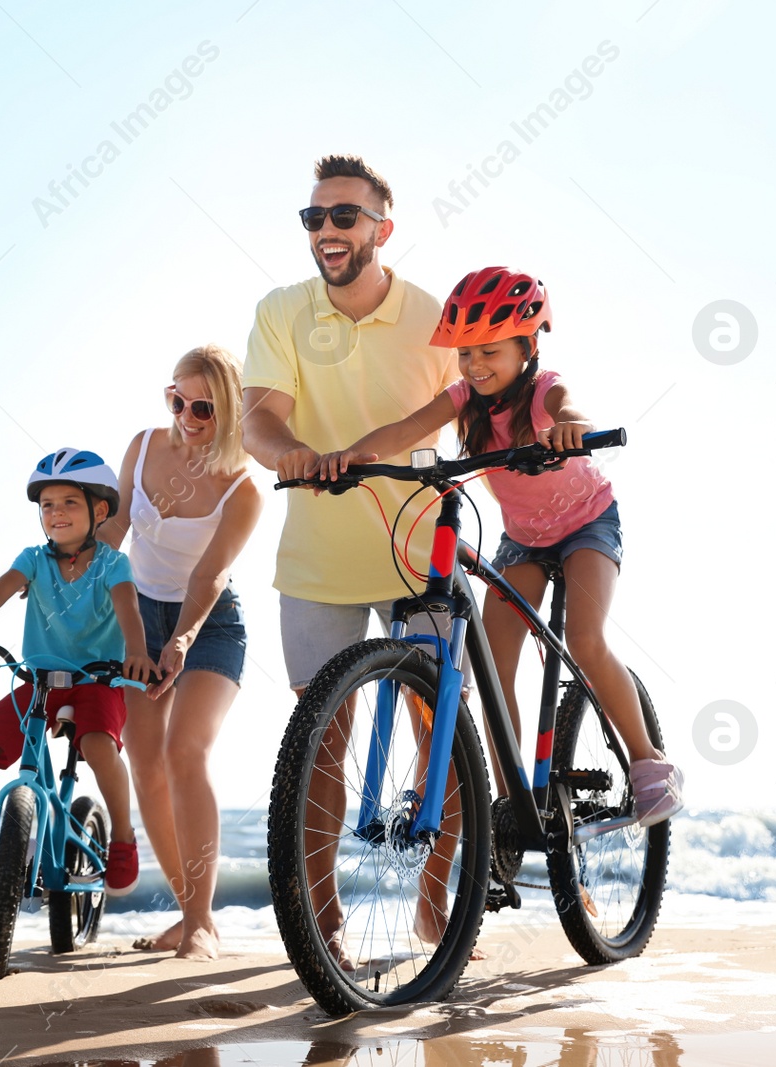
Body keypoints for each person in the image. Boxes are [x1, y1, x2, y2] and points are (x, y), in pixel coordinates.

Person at [317, 265, 685, 828]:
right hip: (524, 542)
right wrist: (348, 458)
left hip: (586, 526)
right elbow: (403, 430)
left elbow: (570, 410)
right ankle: (514, 796)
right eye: (466, 354)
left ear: (527, 346)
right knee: (491, 666)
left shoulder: (544, 390)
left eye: (489, 351)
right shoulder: (464, 399)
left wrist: (568, 432)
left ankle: (649, 763)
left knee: (585, 640)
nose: (475, 365)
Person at [240, 154, 463, 961]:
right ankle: (322, 918)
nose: (326, 231)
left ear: (382, 228)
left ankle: (436, 905)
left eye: (343, 217)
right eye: (314, 218)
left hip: (419, 554)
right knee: (318, 743)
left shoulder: (431, 315)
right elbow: (258, 419)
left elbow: (471, 412)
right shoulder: (282, 311)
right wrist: (292, 450)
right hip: (316, 561)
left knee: (444, 738)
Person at [0, 448, 157, 898]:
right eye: (47, 504)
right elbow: (0, 589)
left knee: (97, 743)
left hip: (99, 681)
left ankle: (124, 839)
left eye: (70, 502)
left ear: (100, 510)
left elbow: (128, 609)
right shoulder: (34, 559)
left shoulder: (113, 564)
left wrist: (137, 653)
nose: (56, 513)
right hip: (38, 683)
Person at [98, 345, 262, 960]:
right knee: (144, 763)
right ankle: (188, 908)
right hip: (140, 615)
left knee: (183, 751)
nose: (188, 415)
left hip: (211, 623)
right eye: (177, 400)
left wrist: (182, 641)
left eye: (204, 407)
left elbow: (209, 578)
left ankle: (199, 925)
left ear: (230, 411)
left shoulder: (243, 489)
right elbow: (116, 531)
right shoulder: (142, 447)